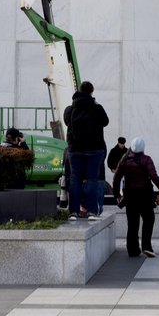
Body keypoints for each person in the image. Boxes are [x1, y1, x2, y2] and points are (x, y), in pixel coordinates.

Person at [62, 81, 110, 218]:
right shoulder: (97, 108)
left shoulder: (70, 109)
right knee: (92, 179)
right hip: (94, 149)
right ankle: (91, 211)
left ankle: (74, 211)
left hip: (75, 149)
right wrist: (94, 105)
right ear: (91, 92)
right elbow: (105, 122)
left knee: (75, 178)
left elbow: (67, 122)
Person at [112, 136, 159, 257]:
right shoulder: (146, 159)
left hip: (130, 195)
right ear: (143, 148)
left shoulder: (124, 160)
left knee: (132, 222)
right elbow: (153, 176)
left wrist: (116, 195)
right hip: (145, 194)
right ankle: (146, 246)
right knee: (148, 219)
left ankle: (132, 249)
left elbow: (116, 178)